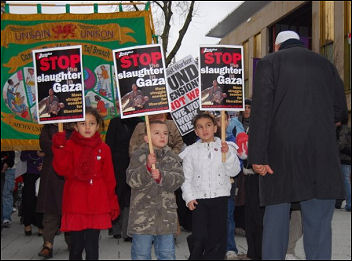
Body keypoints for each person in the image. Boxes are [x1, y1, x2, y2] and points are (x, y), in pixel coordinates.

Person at [248, 30, 348, 260]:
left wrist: (258, 157)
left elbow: (261, 112)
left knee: (276, 219)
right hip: (320, 154)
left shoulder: (269, 63)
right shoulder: (326, 65)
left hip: (280, 154)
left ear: (276, 45)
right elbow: (340, 111)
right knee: (319, 224)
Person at [51, 107, 119, 260]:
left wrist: (112, 202)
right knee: (76, 248)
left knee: (92, 248)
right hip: (76, 204)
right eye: (83, 123)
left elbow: (109, 179)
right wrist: (59, 147)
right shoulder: (69, 146)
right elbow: (62, 169)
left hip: (97, 204)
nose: (87, 127)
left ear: (98, 126)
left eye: (92, 123)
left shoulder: (104, 149)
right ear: (75, 126)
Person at [180, 112, 241, 259]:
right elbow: (186, 178)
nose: (204, 130)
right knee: (200, 237)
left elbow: (234, 171)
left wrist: (228, 156)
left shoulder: (227, 147)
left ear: (215, 127)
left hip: (220, 198)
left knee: (217, 238)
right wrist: (188, 197)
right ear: (196, 131)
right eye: (200, 127)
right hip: (199, 200)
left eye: (208, 125)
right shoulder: (190, 152)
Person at [126, 120, 184, 260]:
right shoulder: (138, 155)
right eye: (157, 133)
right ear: (146, 138)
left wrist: (162, 177)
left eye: (165, 133)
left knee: (167, 254)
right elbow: (131, 180)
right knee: (141, 254)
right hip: (143, 217)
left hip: (166, 216)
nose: (162, 136)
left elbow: (179, 179)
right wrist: (146, 168)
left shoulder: (171, 157)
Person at [36, 123, 73, 258]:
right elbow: (44, 144)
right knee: (50, 211)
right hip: (51, 173)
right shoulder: (48, 127)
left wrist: (63, 146)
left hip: (69, 173)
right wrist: (60, 145)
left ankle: (72, 242)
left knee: (70, 210)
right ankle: (48, 244)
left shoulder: (74, 126)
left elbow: (76, 145)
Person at [236, 99, 265, 260]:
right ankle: (252, 251)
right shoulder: (236, 124)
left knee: (258, 217)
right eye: (244, 107)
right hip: (245, 175)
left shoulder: (260, 125)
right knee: (249, 215)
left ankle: (259, 252)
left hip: (260, 175)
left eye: (249, 107)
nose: (247, 110)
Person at [106, 116, 142, 241]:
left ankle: (128, 230)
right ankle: (115, 227)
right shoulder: (115, 122)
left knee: (130, 196)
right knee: (118, 194)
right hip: (117, 165)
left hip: (135, 163)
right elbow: (109, 143)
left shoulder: (140, 122)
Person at [213, 111, 242, 260]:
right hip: (210, 188)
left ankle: (230, 248)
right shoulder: (205, 142)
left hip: (228, 185)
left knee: (228, 217)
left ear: (228, 121)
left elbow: (239, 165)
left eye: (222, 120)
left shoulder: (231, 140)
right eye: (216, 121)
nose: (219, 124)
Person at [20, 150, 44, 236]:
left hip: (43, 175)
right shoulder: (27, 142)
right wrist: (35, 153)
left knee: (41, 200)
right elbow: (22, 157)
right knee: (28, 200)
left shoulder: (47, 139)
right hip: (29, 175)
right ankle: (27, 224)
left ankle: (41, 225)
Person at [336, 121, 351, 212]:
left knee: (345, 181)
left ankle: (349, 203)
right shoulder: (344, 129)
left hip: (345, 159)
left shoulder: (343, 129)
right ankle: (338, 202)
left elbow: (341, 144)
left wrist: (332, 148)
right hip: (346, 158)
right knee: (342, 181)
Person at [1, 151, 15, 228]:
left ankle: (6, 218)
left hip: (8, 170)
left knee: (6, 194)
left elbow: (11, 157)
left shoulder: (8, 142)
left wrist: (6, 164)